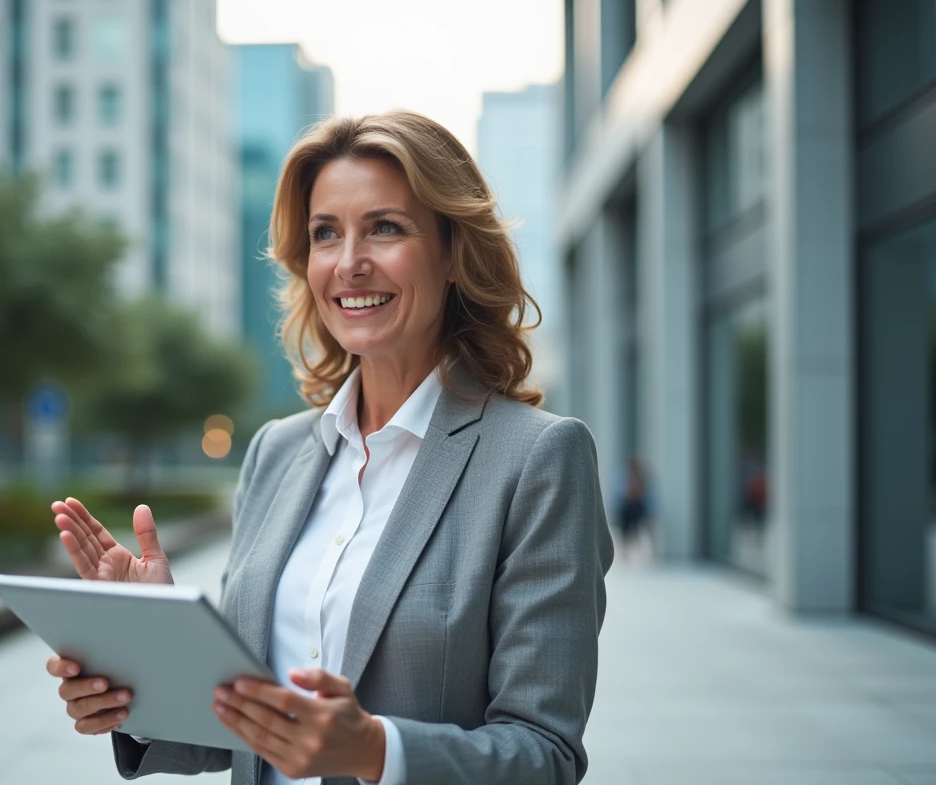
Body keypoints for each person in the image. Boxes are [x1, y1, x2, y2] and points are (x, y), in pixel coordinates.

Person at [47, 111, 614, 784]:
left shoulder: (538, 462)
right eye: (325, 234)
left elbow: (543, 755)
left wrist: (376, 752)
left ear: (454, 253)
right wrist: (150, 665)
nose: (349, 264)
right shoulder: (276, 454)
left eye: (385, 227)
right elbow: (249, 726)